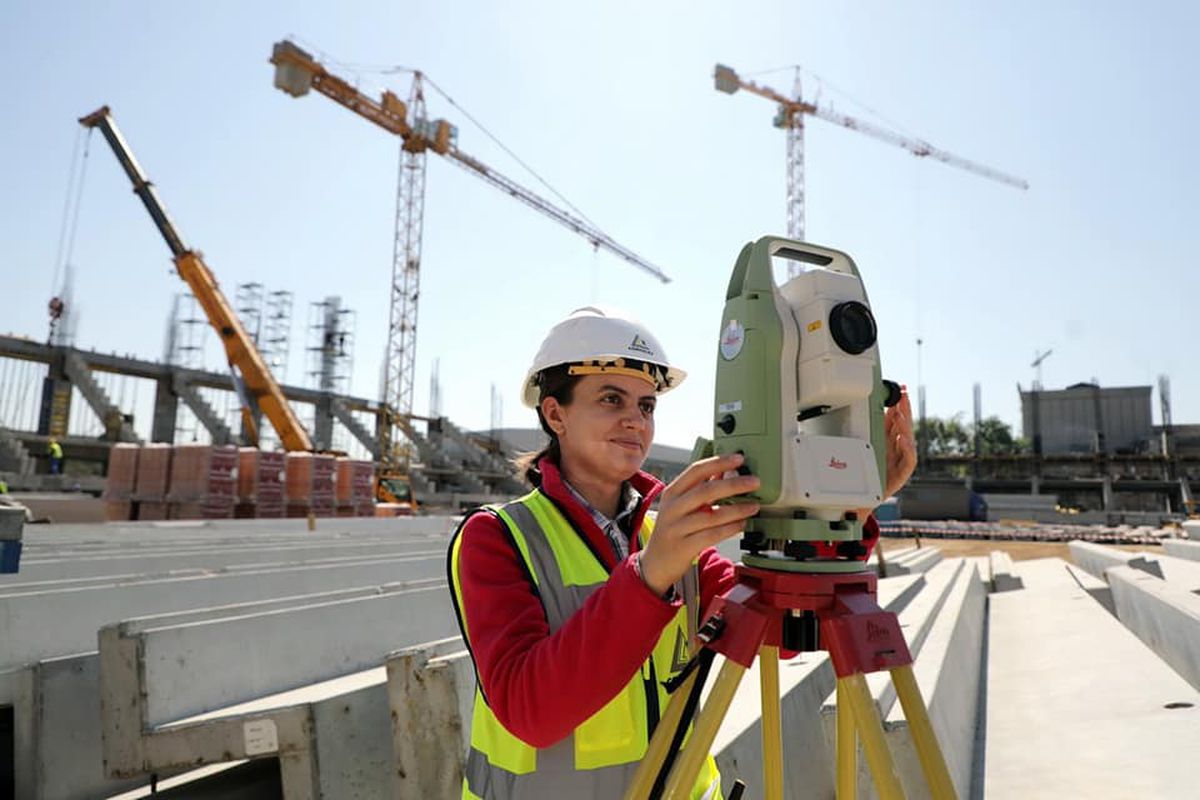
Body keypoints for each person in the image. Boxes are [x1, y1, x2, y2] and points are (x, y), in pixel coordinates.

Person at [447, 305, 915, 799]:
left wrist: (849, 505)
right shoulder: (497, 538)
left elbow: (780, 633)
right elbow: (531, 713)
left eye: (647, 406)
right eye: (612, 399)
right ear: (555, 413)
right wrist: (649, 576)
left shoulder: (668, 534)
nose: (635, 420)